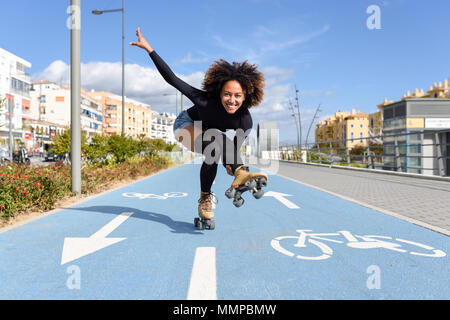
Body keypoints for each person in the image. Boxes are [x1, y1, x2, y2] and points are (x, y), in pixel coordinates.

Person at [130, 28, 268, 222]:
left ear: (245, 97)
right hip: (184, 125)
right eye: (227, 94)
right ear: (219, 93)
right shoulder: (205, 101)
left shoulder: (245, 121)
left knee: (215, 149)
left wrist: (233, 166)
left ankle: (207, 197)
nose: (231, 100)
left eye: (238, 96)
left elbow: (232, 149)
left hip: (208, 136)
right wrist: (150, 50)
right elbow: (173, 79)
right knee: (216, 139)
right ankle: (217, 189)